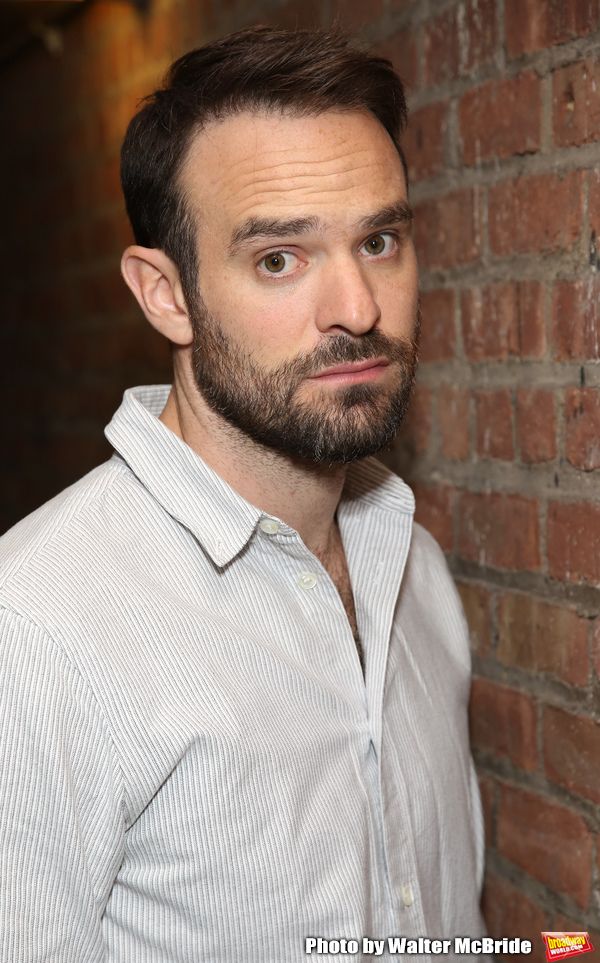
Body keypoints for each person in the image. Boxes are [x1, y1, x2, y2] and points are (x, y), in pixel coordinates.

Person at [0, 26, 487, 962]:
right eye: (280, 258)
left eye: (380, 240)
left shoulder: (412, 566)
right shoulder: (39, 632)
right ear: (165, 296)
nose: (357, 306)